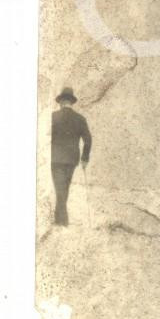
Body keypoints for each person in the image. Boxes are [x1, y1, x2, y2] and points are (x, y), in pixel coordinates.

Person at [50, 86, 92, 226]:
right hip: (72, 160)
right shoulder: (80, 119)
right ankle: (59, 221)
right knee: (64, 189)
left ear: (61, 101)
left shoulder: (53, 117)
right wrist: (85, 158)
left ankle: (62, 222)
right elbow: (88, 140)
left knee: (60, 190)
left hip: (56, 159)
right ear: (71, 102)